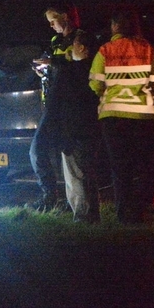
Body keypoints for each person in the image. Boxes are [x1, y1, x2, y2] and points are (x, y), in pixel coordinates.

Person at [89, 7, 154, 223]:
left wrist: (109, 93)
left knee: (120, 167)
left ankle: (124, 215)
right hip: (143, 117)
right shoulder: (147, 49)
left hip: (113, 117)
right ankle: (141, 209)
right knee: (144, 164)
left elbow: (95, 83)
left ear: (114, 26)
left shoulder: (105, 50)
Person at [27, 4, 83, 212]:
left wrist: (53, 62)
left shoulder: (80, 39)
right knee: (39, 151)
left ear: (66, 17)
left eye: (53, 20)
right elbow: (55, 66)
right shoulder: (55, 41)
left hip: (70, 105)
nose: (51, 26)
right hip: (53, 103)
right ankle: (50, 197)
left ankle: (69, 203)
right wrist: (43, 70)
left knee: (65, 155)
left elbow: (78, 67)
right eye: (49, 22)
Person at [54, 30, 102, 223]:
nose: (70, 48)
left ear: (81, 48)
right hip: (93, 127)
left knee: (74, 174)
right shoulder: (96, 70)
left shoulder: (68, 72)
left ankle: (82, 215)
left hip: (72, 129)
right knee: (90, 171)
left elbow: (57, 102)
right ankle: (94, 213)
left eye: (73, 44)